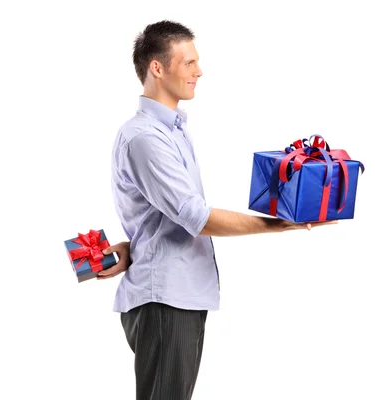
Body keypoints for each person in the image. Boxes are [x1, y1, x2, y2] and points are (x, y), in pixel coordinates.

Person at [97, 20, 337, 400]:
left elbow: (161, 216)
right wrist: (281, 223)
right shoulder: (145, 138)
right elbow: (197, 217)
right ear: (157, 68)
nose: (199, 71)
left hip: (179, 295)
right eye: (189, 62)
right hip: (166, 300)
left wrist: (133, 246)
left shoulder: (172, 130)